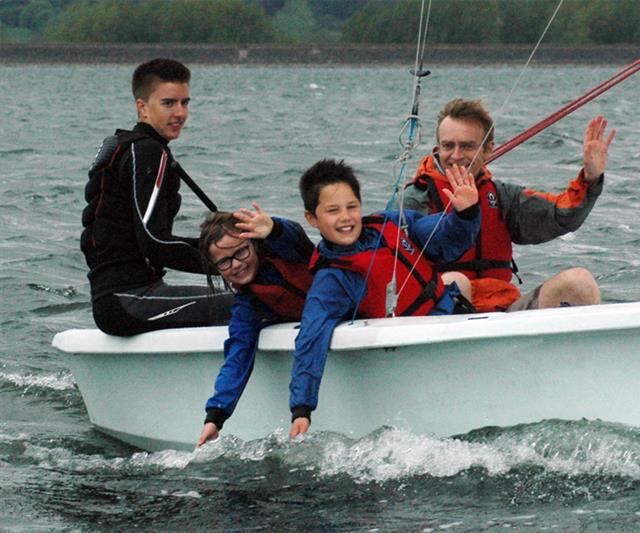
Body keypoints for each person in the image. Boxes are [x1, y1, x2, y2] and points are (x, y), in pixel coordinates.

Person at [289, 159, 481, 437]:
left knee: (457, 279)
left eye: (351, 207)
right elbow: (311, 337)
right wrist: (302, 409)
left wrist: (465, 214)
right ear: (312, 218)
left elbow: (445, 239)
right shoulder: (332, 279)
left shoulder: (390, 224)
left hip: (451, 316)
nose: (345, 217)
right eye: (333, 211)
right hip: (419, 349)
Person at [403, 98, 616, 312]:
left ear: (488, 150)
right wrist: (465, 215)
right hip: (438, 314)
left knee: (580, 281)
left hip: (503, 310)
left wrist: (590, 178)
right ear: (437, 148)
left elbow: (562, 215)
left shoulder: (503, 196)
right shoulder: (417, 196)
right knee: (456, 281)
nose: (456, 156)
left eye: (467, 146)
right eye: (448, 146)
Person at [81, 58, 234, 336]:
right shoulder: (148, 152)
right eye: (168, 103)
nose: (180, 113)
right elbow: (155, 242)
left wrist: (228, 249)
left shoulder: (130, 146)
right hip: (128, 300)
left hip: (130, 296)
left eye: (185, 102)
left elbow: (150, 239)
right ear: (142, 107)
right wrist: (233, 263)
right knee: (253, 302)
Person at [197, 203, 314, 447]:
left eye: (241, 252)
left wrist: (274, 228)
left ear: (254, 243)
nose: (237, 265)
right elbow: (238, 356)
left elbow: (297, 238)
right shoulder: (248, 305)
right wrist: (215, 417)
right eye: (225, 262)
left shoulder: (284, 252)